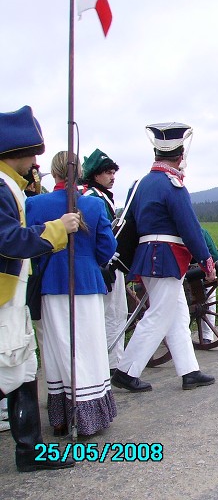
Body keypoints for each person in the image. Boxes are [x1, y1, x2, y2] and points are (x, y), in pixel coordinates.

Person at [0, 105, 80, 471]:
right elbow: (9, 241)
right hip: (3, 298)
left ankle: (30, 451)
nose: (36, 162)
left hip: (11, 297)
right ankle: (29, 451)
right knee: (11, 369)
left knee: (22, 370)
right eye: (33, 154)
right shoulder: (2, 188)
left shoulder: (10, 188)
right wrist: (58, 229)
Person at [111, 122, 216, 392]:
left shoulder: (140, 184)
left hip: (147, 256)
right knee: (159, 314)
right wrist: (206, 259)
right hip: (165, 258)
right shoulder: (173, 186)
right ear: (180, 156)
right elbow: (189, 227)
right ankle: (126, 371)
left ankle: (189, 371)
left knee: (177, 314)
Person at [26, 151, 118, 436]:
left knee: (57, 346)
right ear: (78, 172)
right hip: (87, 284)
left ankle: (60, 418)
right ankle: (90, 418)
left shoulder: (36, 205)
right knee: (89, 347)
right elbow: (106, 247)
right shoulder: (92, 205)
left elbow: (33, 246)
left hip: (53, 285)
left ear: (53, 173)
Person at [81, 148, 127, 374]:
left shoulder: (100, 197)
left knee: (116, 313)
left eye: (113, 172)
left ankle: (112, 360)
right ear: (96, 175)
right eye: (108, 172)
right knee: (112, 313)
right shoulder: (91, 198)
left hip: (107, 263)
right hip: (104, 264)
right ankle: (112, 364)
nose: (112, 176)